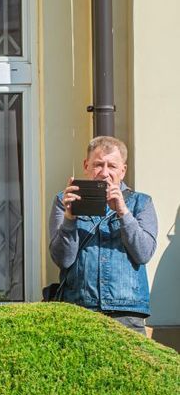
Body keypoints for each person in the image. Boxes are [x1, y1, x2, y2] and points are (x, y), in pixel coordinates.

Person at [49, 135, 157, 334]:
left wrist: (124, 212)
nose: (104, 173)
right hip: (79, 308)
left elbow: (143, 253)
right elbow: (63, 259)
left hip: (126, 311)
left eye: (112, 166)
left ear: (123, 171)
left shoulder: (141, 203)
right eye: (98, 164)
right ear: (86, 165)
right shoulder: (63, 200)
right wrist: (69, 218)